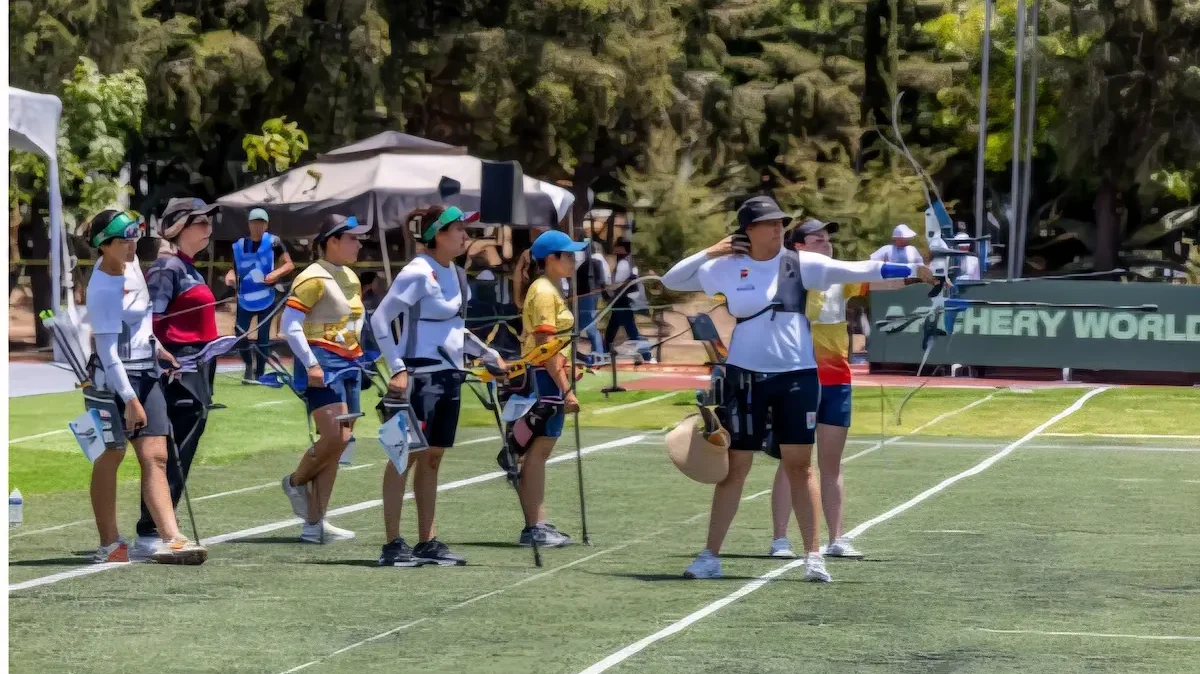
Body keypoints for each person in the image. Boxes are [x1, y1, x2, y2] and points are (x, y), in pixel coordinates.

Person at [661, 196, 933, 581]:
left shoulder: (802, 263)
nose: (778, 228)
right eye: (769, 223)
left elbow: (856, 267)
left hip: (797, 376)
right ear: (747, 231)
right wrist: (711, 249)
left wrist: (914, 270)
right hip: (745, 376)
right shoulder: (726, 266)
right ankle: (710, 556)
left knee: (799, 466)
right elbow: (672, 279)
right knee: (735, 467)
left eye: (780, 223)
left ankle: (813, 556)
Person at [371, 205, 507, 567]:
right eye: (458, 228)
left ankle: (427, 541)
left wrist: (488, 354)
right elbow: (380, 320)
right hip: (415, 379)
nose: (465, 235)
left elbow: (454, 331)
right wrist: (397, 368)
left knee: (432, 459)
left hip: (448, 378)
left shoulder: (459, 276)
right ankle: (392, 544)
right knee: (402, 457)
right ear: (437, 235)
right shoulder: (417, 272)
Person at [767, 218, 907, 560]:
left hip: (837, 378)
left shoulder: (839, 278)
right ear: (798, 246)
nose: (826, 244)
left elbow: (883, 282)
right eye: (817, 239)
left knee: (832, 464)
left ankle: (837, 538)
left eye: (827, 239)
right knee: (792, 462)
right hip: (798, 375)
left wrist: (924, 275)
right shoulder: (785, 279)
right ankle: (780, 540)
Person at [84, 209, 208, 565]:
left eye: (132, 239)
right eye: (122, 241)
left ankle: (171, 537)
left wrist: (157, 346)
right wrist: (130, 400)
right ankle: (109, 542)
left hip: (146, 370)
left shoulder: (133, 262)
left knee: (156, 455)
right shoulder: (102, 288)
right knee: (111, 455)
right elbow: (107, 351)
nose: (130, 246)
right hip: (114, 381)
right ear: (102, 245)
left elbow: (142, 322)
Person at [137, 197, 226, 560]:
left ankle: (161, 524)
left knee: (183, 449)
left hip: (197, 366)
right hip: (178, 368)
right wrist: (167, 359)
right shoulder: (167, 268)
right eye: (200, 223)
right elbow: (151, 322)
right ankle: (152, 529)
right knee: (173, 450)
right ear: (179, 227)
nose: (208, 229)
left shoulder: (187, 266)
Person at [279, 214, 371, 544]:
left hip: (350, 363)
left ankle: (315, 524)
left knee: (341, 442)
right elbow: (289, 325)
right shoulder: (312, 278)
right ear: (332, 240)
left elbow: (354, 320)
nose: (359, 244)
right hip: (322, 363)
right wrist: (312, 364)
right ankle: (295, 481)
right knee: (334, 437)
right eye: (352, 238)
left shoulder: (349, 276)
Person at [514, 229, 590, 548]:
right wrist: (565, 388)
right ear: (551, 259)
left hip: (549, 374)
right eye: (568, 255)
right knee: (537, 452)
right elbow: (545, 345)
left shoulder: (548, 288)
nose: (573, 260)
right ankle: (534, 525)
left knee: (537, 452)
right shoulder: (544, 291)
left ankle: (538, 520)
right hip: (545, 378)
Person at [224, 208, 294, 384]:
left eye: (261, 223)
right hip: (244, 296)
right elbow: (234, 267)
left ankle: (260, 372)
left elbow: (289, 265)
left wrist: (275, 274)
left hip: (266, 296)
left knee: (264, 336)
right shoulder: (238, 245)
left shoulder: (274, 242)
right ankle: (248, 366)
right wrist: (230, 276)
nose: (258, 226)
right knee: (239, 334)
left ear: (266, 224)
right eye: (255, 222)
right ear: (249, 224)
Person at [604, 235, 654, 363]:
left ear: (622, 248)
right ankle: (604, 354)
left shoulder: (623, 264)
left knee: (632, 332)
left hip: (621, 301)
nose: (614, 248)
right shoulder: (627, 262)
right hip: (621, 301)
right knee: (611, 331)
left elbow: (619, 284)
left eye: (617, 246)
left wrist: (609, 291)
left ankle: (648, 357)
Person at [575, 241, 611, 363]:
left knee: (589, 327)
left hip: (587, 297)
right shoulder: (591, 263)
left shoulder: (592, 263)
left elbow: (600, 281)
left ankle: (598, 356)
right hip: (590, 297)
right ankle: (597, 355)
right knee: (586, 326)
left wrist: (605, 295)